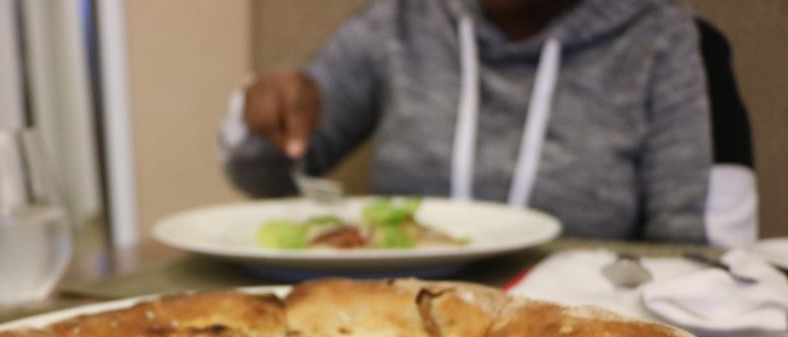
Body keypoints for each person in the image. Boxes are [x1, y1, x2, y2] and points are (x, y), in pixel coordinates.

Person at [219, 0, 756, 247]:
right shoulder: (397, 21)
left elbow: (703, 255)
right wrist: (264, 115)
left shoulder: (667, 37)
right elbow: (271, 177)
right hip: (387, 324)